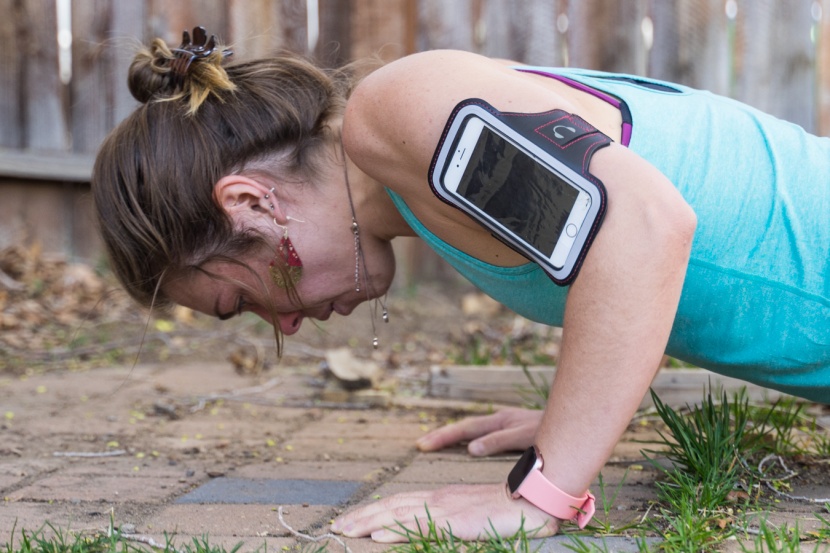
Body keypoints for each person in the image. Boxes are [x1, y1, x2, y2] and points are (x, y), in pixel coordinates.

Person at [92, 28, 829, 543]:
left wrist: (543, 490)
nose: (282, 325)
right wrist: (572, 419)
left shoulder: (399, 109)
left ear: (253, 203)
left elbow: (644, 226)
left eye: (242, 298)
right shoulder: (422, 177)